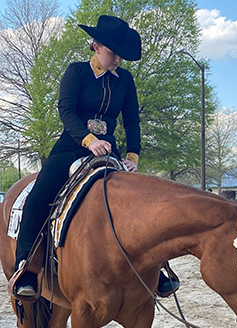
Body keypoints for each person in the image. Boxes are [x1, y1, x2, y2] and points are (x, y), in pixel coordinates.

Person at [9, 15, 179, 299]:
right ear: (96, 46)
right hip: (73, 145)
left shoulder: (126, 80)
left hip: (109, 149)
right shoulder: (76, 72)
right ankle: (26, 268)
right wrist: (89, 140)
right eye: (113, 54)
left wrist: (133, 155)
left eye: (121, 56)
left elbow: (132, 121)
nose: (118, 61)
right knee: (39, 196)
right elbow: (66, 111)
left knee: (137, 201)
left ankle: (158, 269)